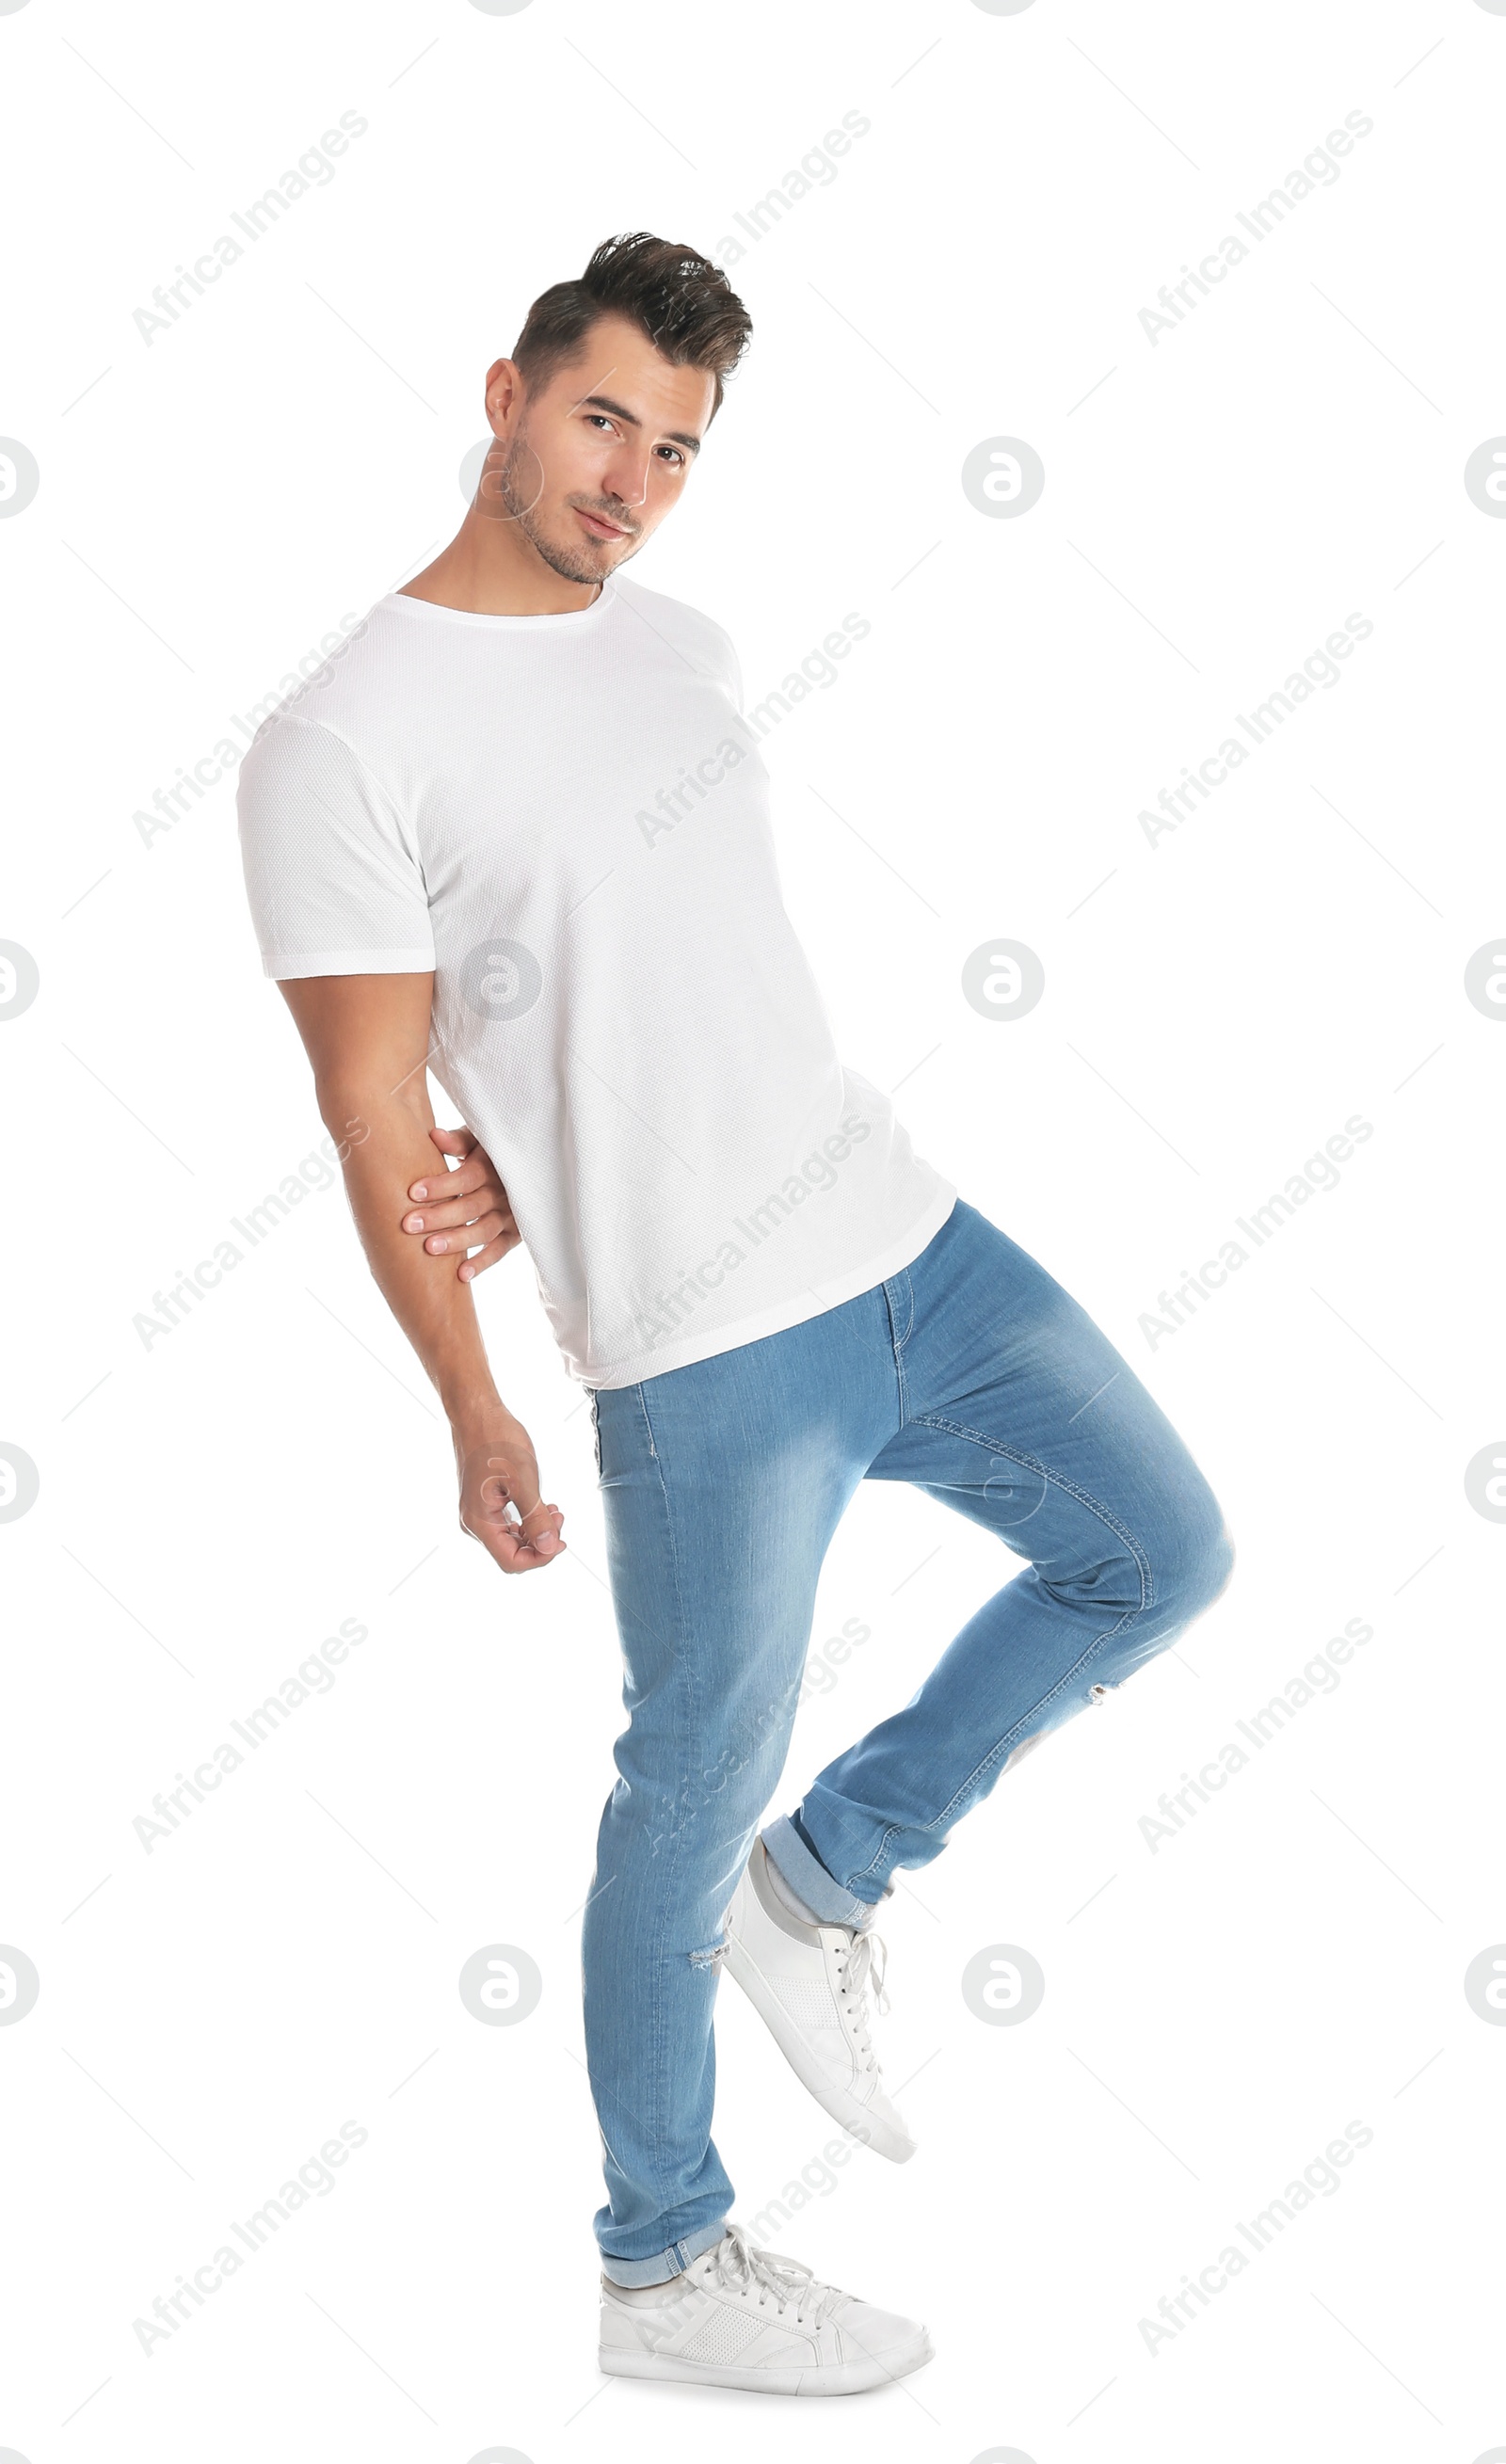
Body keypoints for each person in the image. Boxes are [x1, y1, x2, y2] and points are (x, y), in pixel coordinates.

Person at [237, 231, 1235, 2399]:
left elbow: (631, 967)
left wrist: (547, 1100)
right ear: (501, 391)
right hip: (692, 1346)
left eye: (677, 450)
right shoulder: (338, 740)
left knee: (1158, 1550)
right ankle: (660, 2263)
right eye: (603, 420)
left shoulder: (676, 642)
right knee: (674, 1793)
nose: (631, 481)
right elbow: (368, 1103)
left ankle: (834, 1878)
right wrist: (469, 1400)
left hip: (899, 1237)